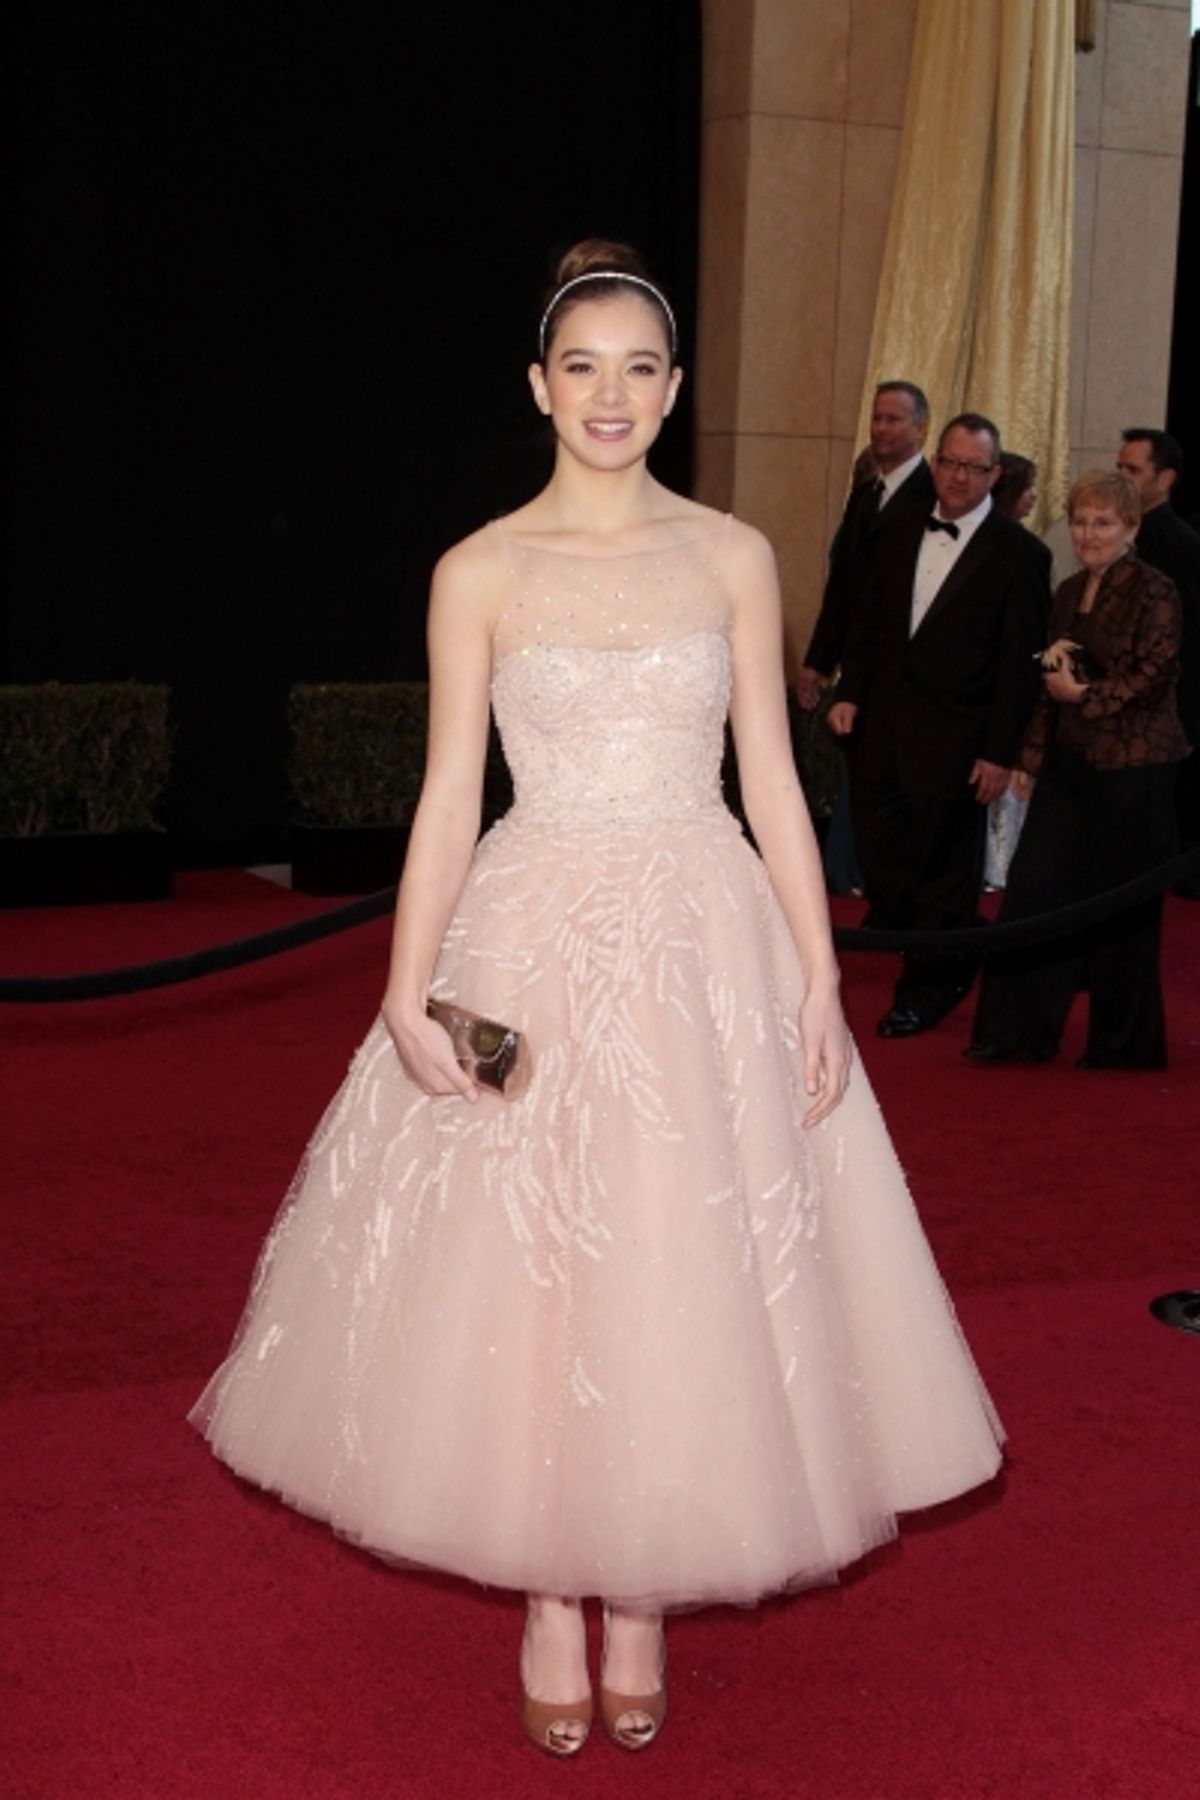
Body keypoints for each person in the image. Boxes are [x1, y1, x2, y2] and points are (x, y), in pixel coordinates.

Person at [189, 241, 1004, 1759]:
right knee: (534, 1269)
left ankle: (641, 1588)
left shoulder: (734, 556)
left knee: (682, 1255)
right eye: (583, 366)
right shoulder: (480, 568)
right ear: (538, 387)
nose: (611, 394)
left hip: (705, 935)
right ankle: (554, 1590)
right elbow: (447, 796)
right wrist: (403, 984)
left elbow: (770, 775)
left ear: (675, 388)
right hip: (533, 926)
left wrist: (819, 973)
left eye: (641, 367)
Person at [830, 413, 1049, 1038]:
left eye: (974, 467)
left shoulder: (1020, 556)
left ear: (995, 475)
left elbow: (1017, 665)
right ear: (936, 463)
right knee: (881, 857)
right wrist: (851, 692)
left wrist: (999, 752)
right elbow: (869, 620)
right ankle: (948, 941)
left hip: (959, 745)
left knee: (943, 875)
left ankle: (929, 986)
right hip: (883, 732)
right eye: (950, 462)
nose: (959, 477)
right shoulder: (897, 528)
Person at [966, 470, 1188, 1068]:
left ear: (1132, 528)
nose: (1089, 534)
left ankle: (1122, 1046)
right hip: (1068, 766)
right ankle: (1016, 1033)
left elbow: (1155, 675)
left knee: (1122, 913)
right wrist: (1030, 759)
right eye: (1082, 521)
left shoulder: (1156, 590)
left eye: (1104, 523)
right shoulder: (1066, 592)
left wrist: (1082, 697)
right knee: (1034, 897)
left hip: (1134, 770)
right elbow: (1050, 683)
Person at [796, 382, 934, 895]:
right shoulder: (867, 492)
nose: (881, 428)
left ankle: (885, 880)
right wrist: (816, 661)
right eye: (877, 418)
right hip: (859, 665)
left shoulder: (930, 497)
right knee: (865, 774)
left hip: (904, 672)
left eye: (894, 419)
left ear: (921, 428)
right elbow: (844, 589)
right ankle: (863, 875)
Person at [1115, 430, 1200, 888]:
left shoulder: (1183, 545)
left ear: (1164, 479)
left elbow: (1189, 639)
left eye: (1133, 469)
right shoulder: (1120, 537)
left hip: (1167, 710)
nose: (1122, 477)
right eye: (1119, 467)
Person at [984, 454, 1053, 890]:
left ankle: (1001, 862)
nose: (1034, 498)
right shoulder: (1017, 553)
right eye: (1029, 489)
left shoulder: (1029, 553)